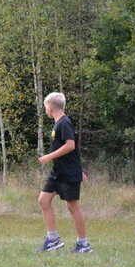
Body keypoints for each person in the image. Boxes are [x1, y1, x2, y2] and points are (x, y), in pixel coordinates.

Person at [36, 92, 91, 253]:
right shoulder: (58, 123)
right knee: (43, 200)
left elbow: (70, 145)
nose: (45, 110)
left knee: (72, 207)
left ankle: (83, 244)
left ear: (50, 108)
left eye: (45, 107)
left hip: (68, 173)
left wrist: (49, 157)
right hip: (58, 172)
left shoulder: (64, 123)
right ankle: (53, 240)